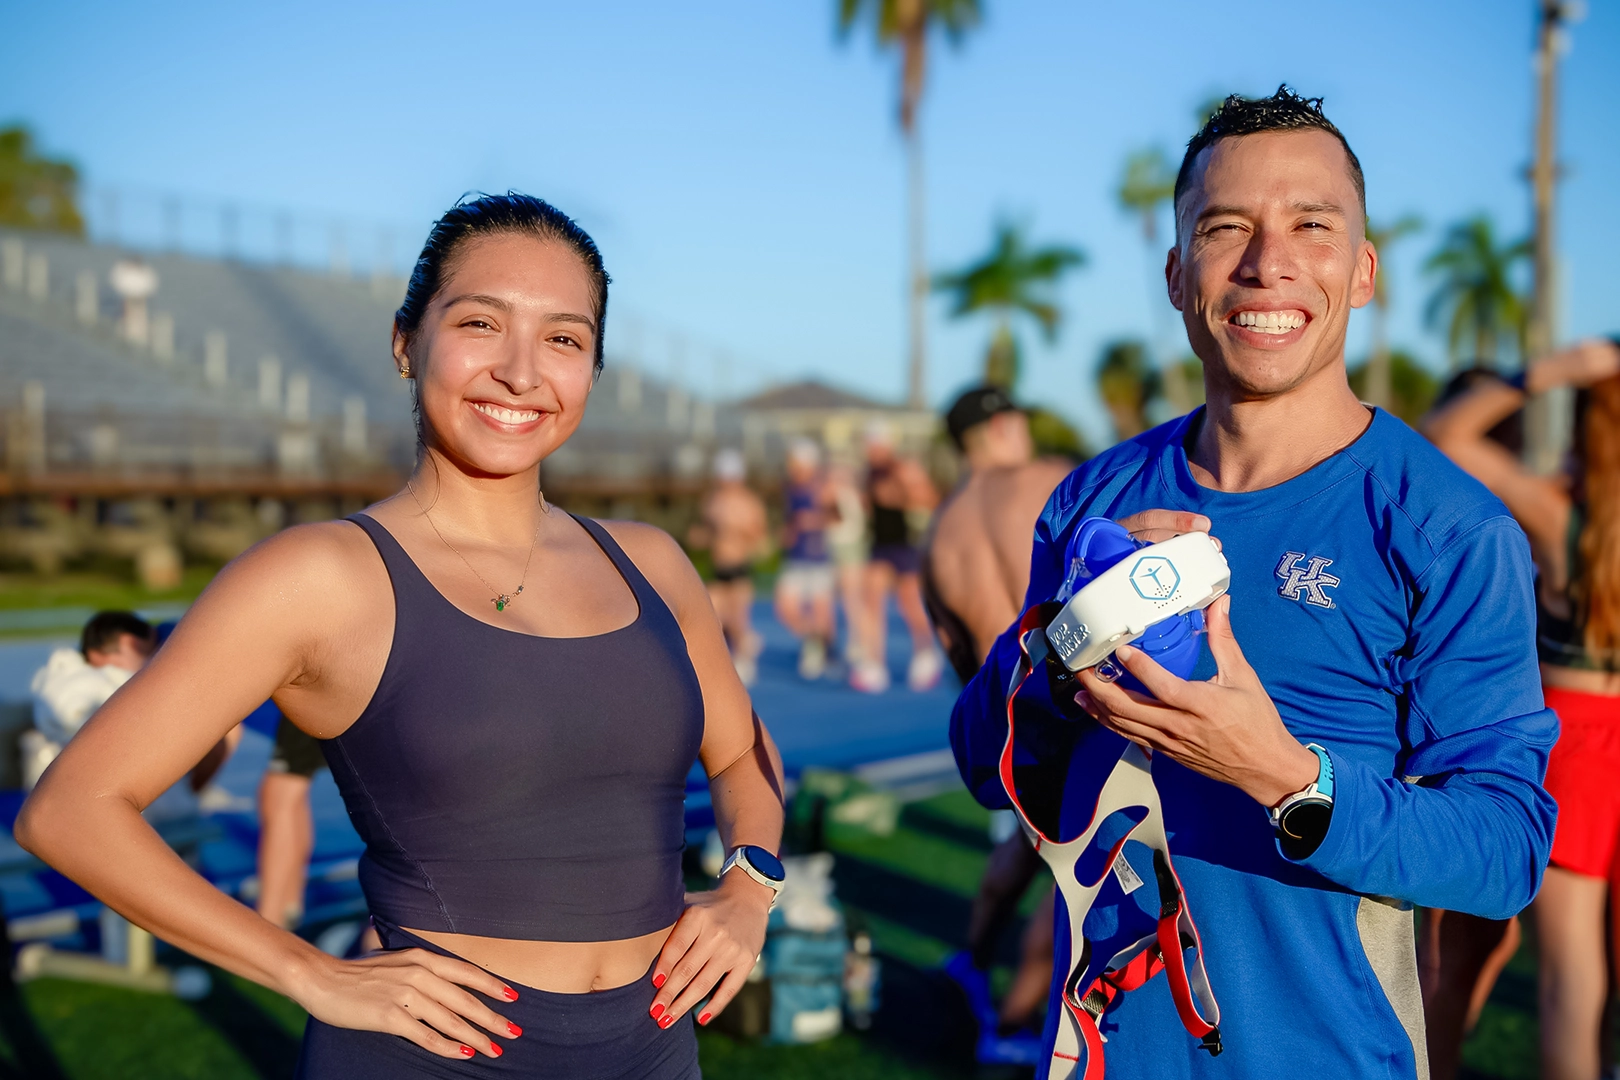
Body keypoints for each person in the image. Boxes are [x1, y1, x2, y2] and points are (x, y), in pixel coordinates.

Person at [18, 193, 786, 1079]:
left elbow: (740, 756)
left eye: (565, 339)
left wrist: (750, 885)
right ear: (404, 341)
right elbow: (71, 809)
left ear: (594, 369)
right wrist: (307, 971)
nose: (521, 370)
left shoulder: (651, 562)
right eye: (480, 323)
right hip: (430, 1057)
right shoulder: (319, 576)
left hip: (654, 1048)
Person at [949, 87, 1555, 1079]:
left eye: (1311, 226)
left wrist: (1281, 773)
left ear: (1361, 273)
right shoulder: (1091, 499)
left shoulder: (1447, 528)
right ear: (1179, 272)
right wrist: (1062, 649)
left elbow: (1503, 850)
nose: (1267, 262)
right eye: (1225, 228)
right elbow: (987, 765)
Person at [1423, 337, 1620, 1080]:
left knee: (1571, 982)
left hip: (1575, 744)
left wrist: (1554, 370)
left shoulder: (1565, 515)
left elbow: (1446, 436)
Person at [923, 385, 1072, 1061]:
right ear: (1007, 426)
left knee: (1031, 841)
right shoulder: (1051, 481)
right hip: (1081, 704)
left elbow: (964, 663)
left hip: (1010, 724)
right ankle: (1010, 1025)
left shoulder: (941, 535)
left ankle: (972, 960)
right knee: (1084, 877)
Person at [853, 422, 941, 693]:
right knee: (871, 600)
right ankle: (873, 663)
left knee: (910, 604)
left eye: (875, 444)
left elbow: (929, 499)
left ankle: (926, 653)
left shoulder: (904, 468)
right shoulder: (868, 472)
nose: (871, 450)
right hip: (880, 543)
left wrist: (897, 496)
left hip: (907, 543)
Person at [24, 611, 156, 789]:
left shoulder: (61, 677)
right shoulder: (79, 685)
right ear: (130, 643)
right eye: (153, 648)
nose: (157, 657)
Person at [689, 448, 769, 685]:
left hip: (740, 566)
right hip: (718, 566)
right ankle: (726, 659)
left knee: (738, 618)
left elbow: (760, 538)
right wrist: (700, 536)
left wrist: (737, 532)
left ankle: (745, 658)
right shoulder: (712, 501)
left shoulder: (748, 502)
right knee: (713, 617)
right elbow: (706, 532)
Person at [774, 439, 837, 680]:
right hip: (794, 558)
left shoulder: (821, 487)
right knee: (785, 610)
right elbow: (791, 521)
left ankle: (826, 653)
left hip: (817, 558)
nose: (791, 467)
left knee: (822, 613)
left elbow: (837, 517)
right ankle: (816, 644)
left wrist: (813, 520)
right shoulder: (789, 488)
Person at [256, 715, 327, 930]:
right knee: (291, 794)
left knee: (279, 795)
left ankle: (269, 921)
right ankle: (289, 907)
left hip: (316, 693)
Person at [825, 459, 870, 672]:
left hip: (846, 548)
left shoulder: (840, 492)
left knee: (851, 598)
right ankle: (854, 642)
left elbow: (835, 517)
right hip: (847, 546)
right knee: (847, 599)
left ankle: (858, 642)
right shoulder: (852, 493)